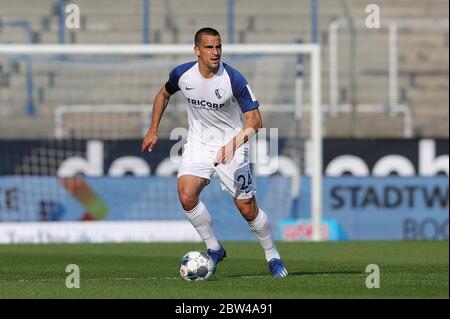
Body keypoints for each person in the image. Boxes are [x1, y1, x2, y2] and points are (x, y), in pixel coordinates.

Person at [141, 27, 288, 278]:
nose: (216, 52)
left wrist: (231, 146)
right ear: (197, 50)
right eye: (209, 47)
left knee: (247, 209)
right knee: (186, 195)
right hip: (198, 143)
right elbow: (163, 94)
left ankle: (273, 255)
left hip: (232, 145)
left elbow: (255, 120)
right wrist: (152, 129)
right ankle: (214, 248)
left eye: (218, 47)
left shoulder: (233, 79)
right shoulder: (182, 75)